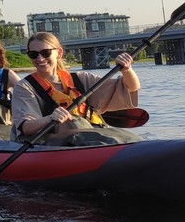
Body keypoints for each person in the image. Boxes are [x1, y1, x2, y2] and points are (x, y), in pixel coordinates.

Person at [11, 32, 140, 145]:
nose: (40, 59)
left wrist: (127, 70)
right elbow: (25, 127)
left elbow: (131, 88)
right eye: (33, 54)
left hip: (90, 136)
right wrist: (50, 118)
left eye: (46, 52)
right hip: (52, 143)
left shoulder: (81, 79)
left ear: (59, 53)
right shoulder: (25, 87)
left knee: (128, 138)